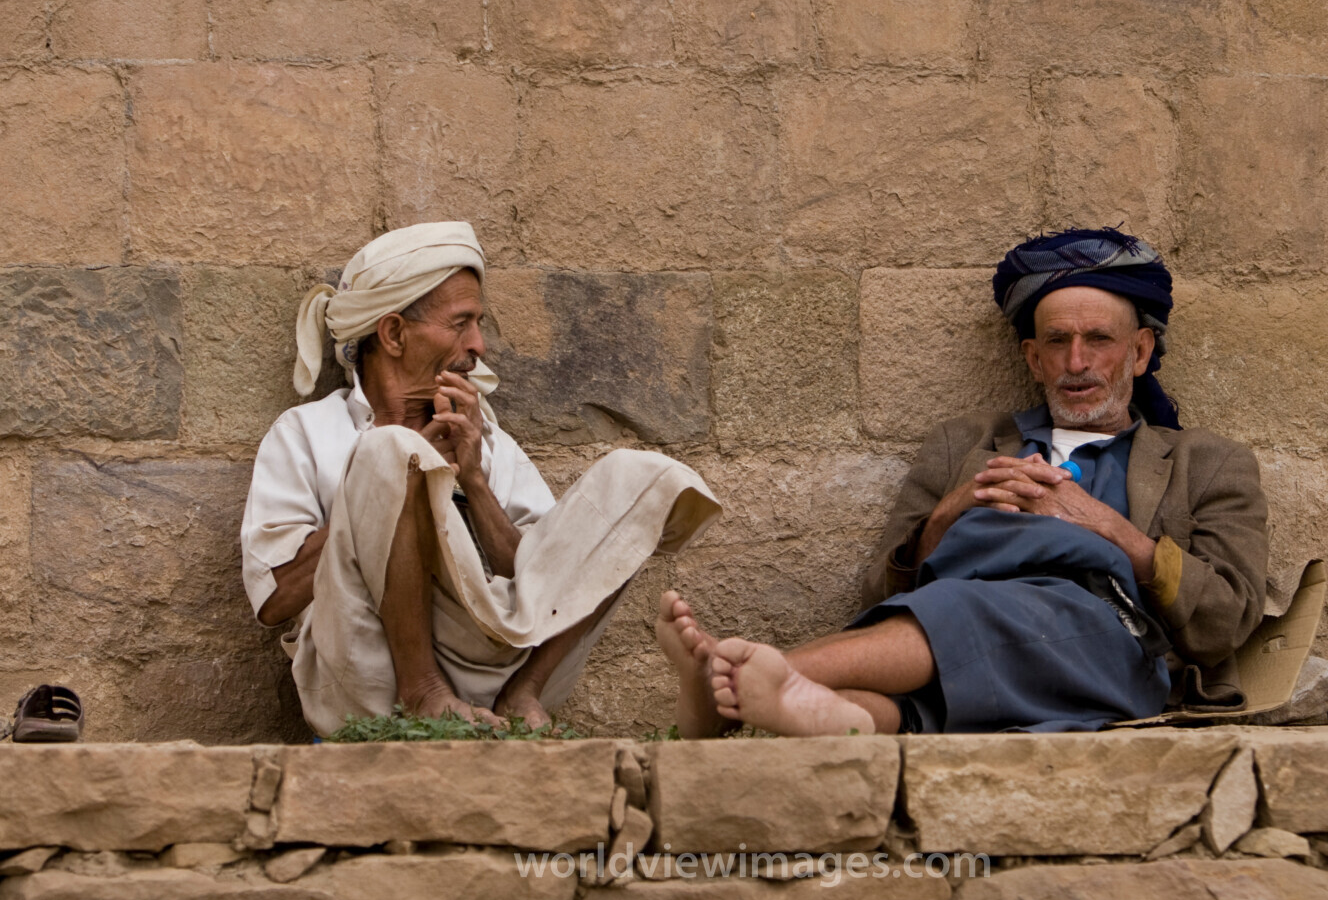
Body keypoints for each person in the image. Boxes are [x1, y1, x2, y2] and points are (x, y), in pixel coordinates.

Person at [659, 228, 1268, 736]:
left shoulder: (1208, 462)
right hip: (963, 626)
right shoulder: (965, 444)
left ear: (1139, 352)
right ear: (1033, 358)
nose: (1076, 362)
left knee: (972, 606)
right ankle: (791, 705)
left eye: (1098, 341)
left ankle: (740, 685)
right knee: (911, 712)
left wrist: (1104, 526)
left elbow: (1225, 621)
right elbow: (879, 592)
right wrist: (953, 511)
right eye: (1057, 341)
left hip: (1110, 640)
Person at [242, 222, 721, 738]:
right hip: (365, 675)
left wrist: (472, 479)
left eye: (478, 323)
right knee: (390, 450)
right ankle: (422, 690)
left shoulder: (485, 437)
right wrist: (392, 484)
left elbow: (546, 577)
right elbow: (273, 601)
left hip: (489, 670)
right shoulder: (307, 433)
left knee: (643, 475)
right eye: (461, 323)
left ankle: (524, 693)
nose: (479, 345)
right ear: (395, 334)